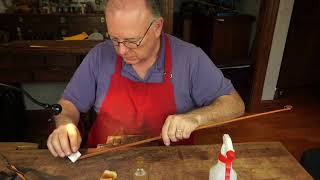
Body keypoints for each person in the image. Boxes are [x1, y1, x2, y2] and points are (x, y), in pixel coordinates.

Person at [47, 0, 245, 158]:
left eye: (132, 41)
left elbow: (235, 104)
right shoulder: (100, 56)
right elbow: (69, 103)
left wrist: (196, 117)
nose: (122, 51)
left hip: (170, 163)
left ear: (157, 27)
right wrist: (65, 124)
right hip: (104, 162)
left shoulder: (190, 58)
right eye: (115, 39)